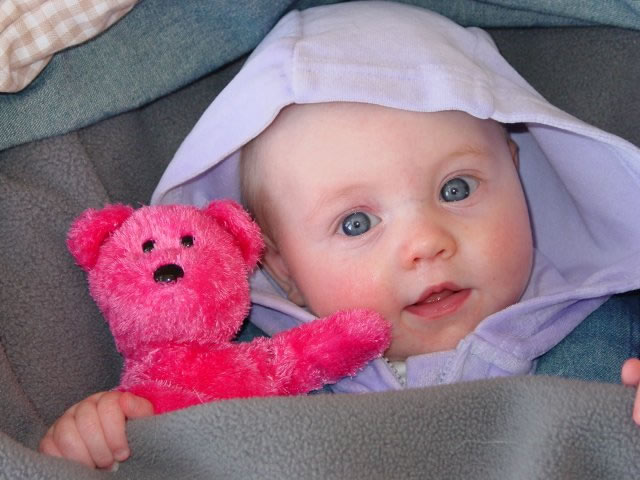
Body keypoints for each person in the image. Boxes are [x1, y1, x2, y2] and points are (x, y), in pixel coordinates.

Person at [39, 1, 640, 469]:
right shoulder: (243, 386)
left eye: (456, 188)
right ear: (282, 269)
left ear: (516, 169)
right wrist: (106, 438)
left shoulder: (617, 335)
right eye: (356, 223)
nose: (425, 242)